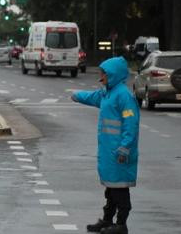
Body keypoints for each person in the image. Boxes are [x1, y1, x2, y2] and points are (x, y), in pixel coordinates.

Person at [71, 57, 140, 234]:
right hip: (109, 151)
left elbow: (130, 123)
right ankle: (108, 220)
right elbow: (94, 97)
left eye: (103, 73)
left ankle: (121, 225)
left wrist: (125, 147)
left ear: (112, 74)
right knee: (111, 189)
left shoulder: (123, 96)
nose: (100, 75)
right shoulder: (108, 93)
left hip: (120, 151)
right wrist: (77, 95)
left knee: (120, 190)